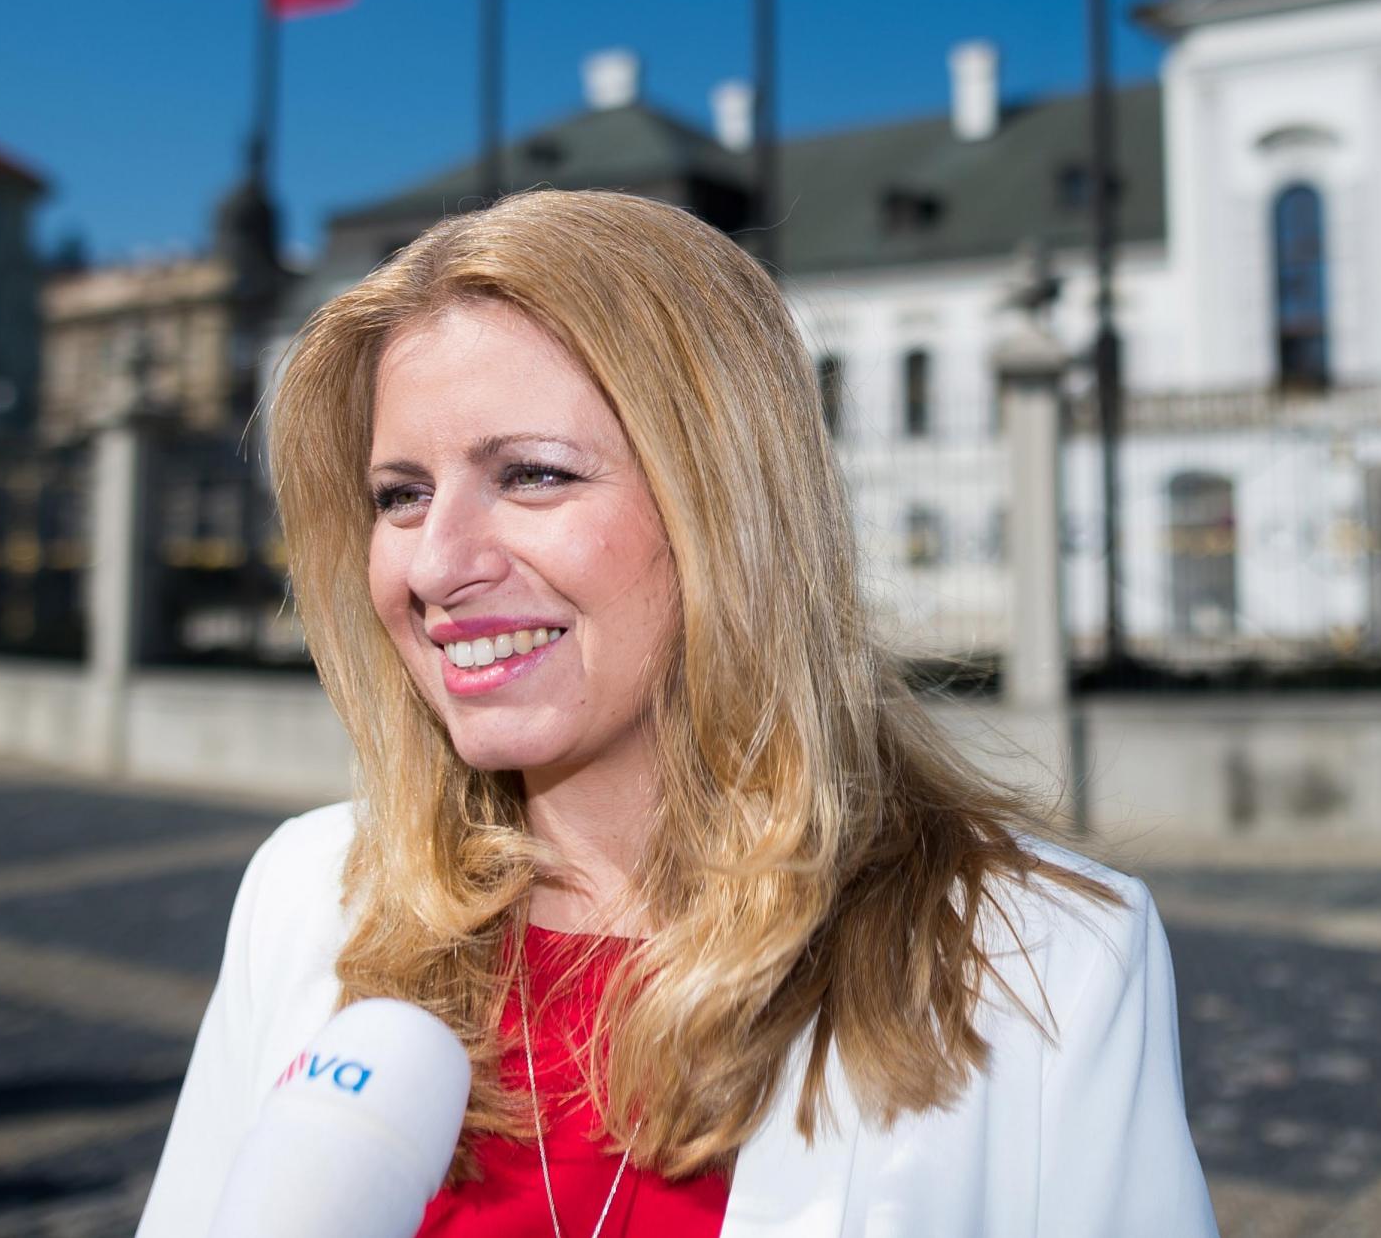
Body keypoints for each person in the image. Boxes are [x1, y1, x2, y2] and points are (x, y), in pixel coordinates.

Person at [139, 191, 1217, 1237]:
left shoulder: (1041, 960)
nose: (436, 563)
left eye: (531, 475)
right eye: (400, 494)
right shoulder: (306, 897)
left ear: (728, 507)